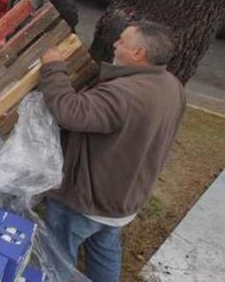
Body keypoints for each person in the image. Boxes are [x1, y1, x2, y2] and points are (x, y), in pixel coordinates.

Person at [39, 20, 185, 282]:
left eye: (122, 41)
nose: (115, 44)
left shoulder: (123, 94)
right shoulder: (171, 85)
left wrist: (53, 68)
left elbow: (68, 112)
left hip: (87, 200)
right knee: (105, 248)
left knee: (57, 259)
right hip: (123, 200)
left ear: (139, 54)